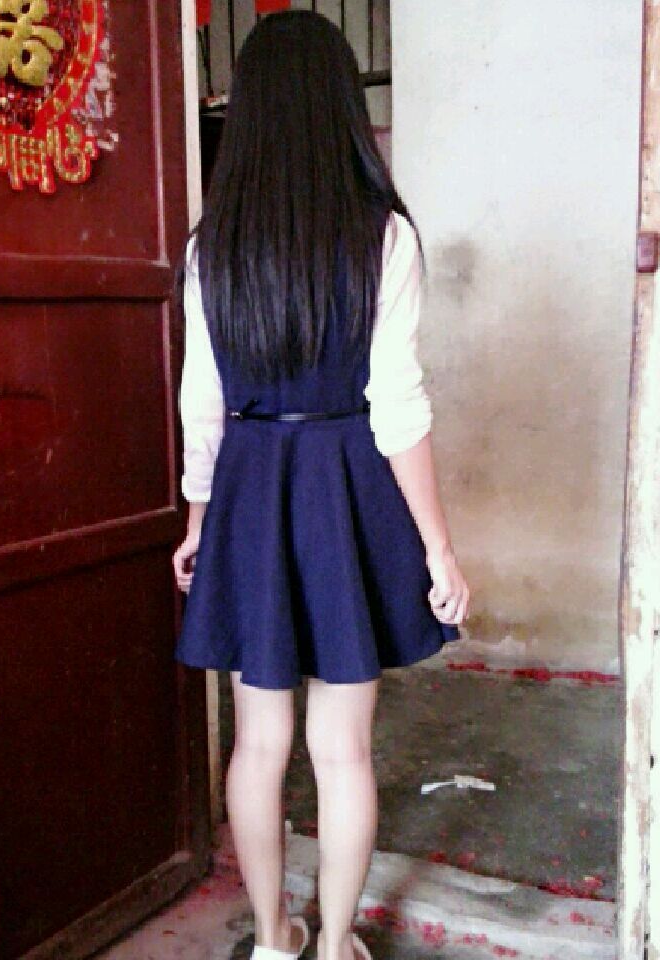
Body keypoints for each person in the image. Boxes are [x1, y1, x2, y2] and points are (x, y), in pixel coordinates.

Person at [171, 11, 469, 960]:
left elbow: (203, 404)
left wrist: (199, 520)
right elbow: (398, 407)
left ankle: (272, 940)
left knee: (258, 744)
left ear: (250, 114)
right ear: (343, 104)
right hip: (345, 489)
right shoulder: (386, 238)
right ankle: (336, 944)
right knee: (342, 750)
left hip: (251, 488)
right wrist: (438, 548)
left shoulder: (210, 248)